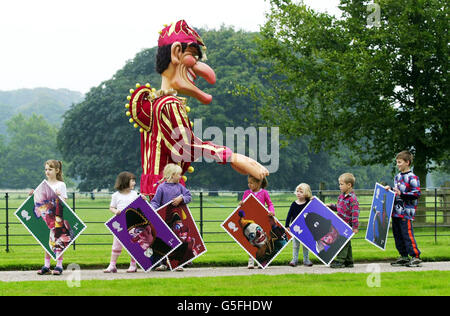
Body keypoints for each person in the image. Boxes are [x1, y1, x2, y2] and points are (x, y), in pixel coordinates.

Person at [125, 19, 269, 197]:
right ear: (176, 53)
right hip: (167, 194)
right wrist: (232, 156)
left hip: (154, 191)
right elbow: (185, 147)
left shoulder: (156, 103)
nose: (200, 69)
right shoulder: (169, 104)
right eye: (193, 56)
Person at [150, 163, 192, 271]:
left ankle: (178, 263)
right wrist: (154, 211)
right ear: (172, 175)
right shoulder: (161, 188)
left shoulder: (180, 187)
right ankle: (164, 263)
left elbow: (189, 196)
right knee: (165, 241)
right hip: (164, 220)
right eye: (179, 174)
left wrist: (181, 198)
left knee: (178, 240)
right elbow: (155, 202)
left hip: (177, 220)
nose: (180, 177)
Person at [384, 150, 422, 267]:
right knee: (398, 234)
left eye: (400, 162)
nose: (398, 165)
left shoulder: (413, 177)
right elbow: (397, 192)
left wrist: (401, 194)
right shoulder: (397, 177)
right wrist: (389, 189)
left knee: (407, 234)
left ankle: (415, 256)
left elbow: (416, 194)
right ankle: (404, 256)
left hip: (406, 212)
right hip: (396, 212)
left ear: (407, 162)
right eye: (397, 162)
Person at [34, 160, 68, 276]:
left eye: (50, 169)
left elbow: (65, 203)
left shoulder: (61, 185)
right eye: (46, 169)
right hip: (48, 215)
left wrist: (59, 196)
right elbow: (40, 200)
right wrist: (32, 195)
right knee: (48, 241)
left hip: (58, 215)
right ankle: (46, 266)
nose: (47, 172)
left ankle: (59, 265)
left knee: (59, 240)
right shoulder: (44, 185)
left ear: (57, 170)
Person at [104, 171, 140, 273]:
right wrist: (116, 212)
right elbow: (111, 207)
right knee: (116, 244)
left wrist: (143, 199)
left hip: (133, 224)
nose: (134, 183)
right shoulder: (116, 195)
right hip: (120, 224)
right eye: (132, 181)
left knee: (133, 243)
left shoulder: (135, 194)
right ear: (125, 181)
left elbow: (141, 206)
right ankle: (112, 265)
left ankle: (133, 265)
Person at [239, 175, 274, 269]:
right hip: (250, 220)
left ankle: (261, 260)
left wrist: (272, 211)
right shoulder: (246, 193)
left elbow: (270, 203)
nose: (249, 185)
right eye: (248, 183)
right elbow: (243, 206)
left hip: (261, 220)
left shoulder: (264, 193)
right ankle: (251, 260)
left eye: (251, 183)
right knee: (251, 240)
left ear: (258, 183)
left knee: (261, 240)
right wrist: (241, 204)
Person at [327, 173, 360, 268]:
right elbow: (339, 208)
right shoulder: (341, 197)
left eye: (341, 184)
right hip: (340, 223)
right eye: (339, 184)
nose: (339, 186)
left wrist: (355, 227)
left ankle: (340, 261)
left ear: (349, 185)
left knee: (342, 242)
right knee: (347, 243)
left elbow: (355, 214)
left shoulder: (352, 199)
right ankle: (349, 261)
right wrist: (331, 206)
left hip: (348, 225)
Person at [285, 183, 313, 267]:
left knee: (305, 245)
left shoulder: (308, 203)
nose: (298, 193)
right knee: (295, 245)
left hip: (306, 228)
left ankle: (306, 260)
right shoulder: (294, 204)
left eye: (301, 191)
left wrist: (314, 199)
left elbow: (315, 207)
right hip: (296, 228)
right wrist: (287, 225)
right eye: (297, 191)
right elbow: (289, 215)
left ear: (306, 193)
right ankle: (294, 260)